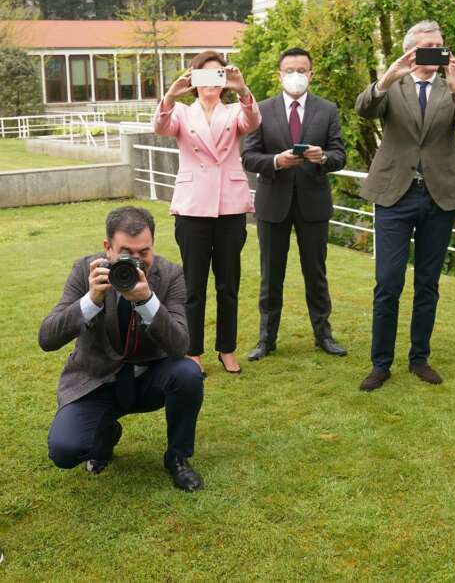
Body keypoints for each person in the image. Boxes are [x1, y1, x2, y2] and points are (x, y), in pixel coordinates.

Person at [354, 20, 455, 391]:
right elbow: (364, 109)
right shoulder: (394, 84)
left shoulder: (450, 87)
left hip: (438, 196)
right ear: (411, 50)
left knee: (427, 283)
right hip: (395, 194)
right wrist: (385, 79)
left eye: (439, 45)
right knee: (388, 281)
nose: (434, 52)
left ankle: (419, 358)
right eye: (426, 46)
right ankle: (381, 363)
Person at [40, 206, 204, 491]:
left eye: (144, 252)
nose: (137, 262)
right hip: (97, 382)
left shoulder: (170, 276)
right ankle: (106, 432)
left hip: (149, 379)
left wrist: (148, 301)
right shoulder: (85, 270)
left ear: (153, 246)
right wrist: (91, 300)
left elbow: (181, 345)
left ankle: (178, 458)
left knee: (189, 372)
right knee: (65, 451)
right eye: (126, 252)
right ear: (108, 248)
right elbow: (47, 338)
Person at [154, 51, 259, 375]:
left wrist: (242, 89)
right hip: (193, 207)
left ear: (224, 80)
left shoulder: (234, 111)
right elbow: (160, 127)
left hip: (229, 205)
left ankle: (227, 349)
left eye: (218, 75)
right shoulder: (183, 113)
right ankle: (193, 350)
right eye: (204, 75)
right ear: (193, 78)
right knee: (194, 285)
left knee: (228, 284)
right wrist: (171, 95)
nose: (211, 82)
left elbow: (253, 122)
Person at [241, 47, 348, 362]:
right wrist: (277, 160)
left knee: (316, 273)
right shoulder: (261, 110)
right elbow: (248, 156)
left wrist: (323, 157)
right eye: (290, 70)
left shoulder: (327, 110)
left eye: (302, 70)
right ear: (279, 74)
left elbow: (340, 154)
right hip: (274, 203)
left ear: (311, 74)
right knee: (270, 274)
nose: (296, 76)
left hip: (313, 204)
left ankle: (323, 335)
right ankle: (266, 338)